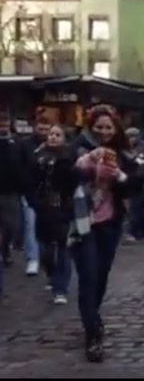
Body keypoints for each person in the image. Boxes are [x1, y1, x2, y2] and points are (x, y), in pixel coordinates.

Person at [69, 105, 143, 363]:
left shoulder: (122, 154)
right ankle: (92, 335)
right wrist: (85, 165)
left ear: (115, 129)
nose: (103, 132)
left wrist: (120, 176)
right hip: (82, 222)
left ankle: (93, 315)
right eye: (98, 127)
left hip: (109, 221)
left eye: (108, 127)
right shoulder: (78, 148)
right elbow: (64, 177)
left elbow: (136, 185)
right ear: (90, 127)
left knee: (100, 275)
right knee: (88, 275)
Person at [28, 124, 76, 305]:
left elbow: (72, 181)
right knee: (46, 249)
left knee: (64, 247)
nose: (53, 137)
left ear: (64, 138)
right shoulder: (38, 156)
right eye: (51, 134)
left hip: (63, 207)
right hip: (43, 207)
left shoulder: (69, 156)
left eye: (58, 134)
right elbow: (30, 180)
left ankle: (60, 288)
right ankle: (51, 273)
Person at [17, 116, 51, 276]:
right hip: (30, 191)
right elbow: (21, 167)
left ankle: (47, 257)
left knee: (49, 227)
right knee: (30, 225)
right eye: (41, 129)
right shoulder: (25, 144)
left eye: (46, 129)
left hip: (50, 193)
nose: (43, 132)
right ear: (34, 127)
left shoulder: (55, 143)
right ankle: (33, 258)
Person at [0, 111, 23, 298]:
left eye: (5, 122)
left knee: (12, 226)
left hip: (11, 192)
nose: (3, 126)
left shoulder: (16, 143)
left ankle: (5, 246)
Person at [123, 127, 144, 242]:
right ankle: (143, 230)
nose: (131, 139)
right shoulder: (125, 148)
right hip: (129, 181)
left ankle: (134, 231)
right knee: (136, 208)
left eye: (133, 136)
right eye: (129, 137)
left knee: (137, 207)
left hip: (142, 182)